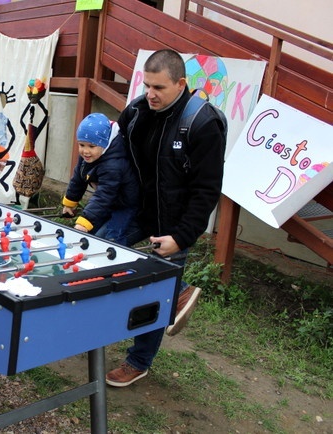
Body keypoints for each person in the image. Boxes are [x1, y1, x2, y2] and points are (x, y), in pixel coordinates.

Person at [105, 49, 226, 387]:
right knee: (98, 251)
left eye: (159, 87)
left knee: (155, 291)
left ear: (181, 84)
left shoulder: (203, 124)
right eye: (147, 86)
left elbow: (207, 190)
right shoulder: (137, 112)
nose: (151, 94)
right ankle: (179, 291)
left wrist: (183, 236)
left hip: (173, 224)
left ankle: (138, 361)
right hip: (137, 211)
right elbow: (118, 157)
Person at [61, 113, 138, 245]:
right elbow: (78, 179)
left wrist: (85, 220)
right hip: (109, 202)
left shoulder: (113, 164)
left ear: (104, 144)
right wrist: (70, 202)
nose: (85, 151)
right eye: (81, 145)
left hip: (125, 204)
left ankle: (119, 261)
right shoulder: (88, 156)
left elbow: (104, 194)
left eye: (91, 146)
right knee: (92, 230)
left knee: (112, 236)